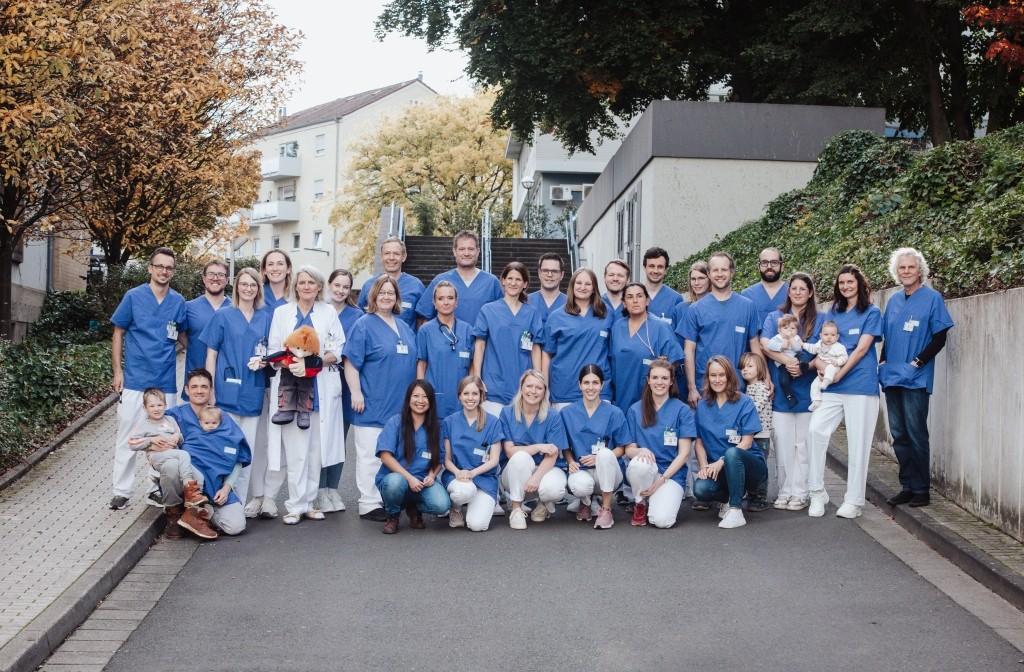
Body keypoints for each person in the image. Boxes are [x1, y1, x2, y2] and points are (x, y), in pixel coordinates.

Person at [109, 247, 187, 510]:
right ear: (150, 268)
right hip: (135, 380)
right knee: (128, 436)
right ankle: (122, 491)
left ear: (173, 272)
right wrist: (118, 371)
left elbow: (183, 336)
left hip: (165, 382)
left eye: (169, 267)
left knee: (164, 438)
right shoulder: (133, 297)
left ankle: (155, 489)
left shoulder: (178, 302)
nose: (164, 271)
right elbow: (118, 333)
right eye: (159, 266)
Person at [266, 265, 345, 525]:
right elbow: (274, 351)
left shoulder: (328, 312)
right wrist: (292, 364)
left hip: (320, 389)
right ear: (295, 286)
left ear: (320, 286)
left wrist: (314, 363)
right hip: (291, 391)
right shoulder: (282, 312)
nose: (307, 286)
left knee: (315, 453)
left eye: (312, 282)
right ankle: (295, 505)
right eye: (302, 282)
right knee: (297, 452)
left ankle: (310, 503)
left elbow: (337, 349)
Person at [807, 264, 883, 520]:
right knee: (815, 430)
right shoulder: (834, 313)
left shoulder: (871, 312)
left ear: (860, 284)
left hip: (860, 385)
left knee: (858, 443)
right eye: (842, 283)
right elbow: (821, 347)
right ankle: (817, 492)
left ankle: (854, 500)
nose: (846, 286)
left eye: (850, 282)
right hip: (832, 387)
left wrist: (839, 374)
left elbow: (861, 350)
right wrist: (821, 367)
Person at [880, 247, 954, 508]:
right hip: (892, 376)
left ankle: (922, 489)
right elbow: (888, 336)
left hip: (915, 377)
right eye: (902, 268)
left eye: (911, 267)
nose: (906, 271)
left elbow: (940, 337)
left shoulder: (932, 298)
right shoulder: (893, 301)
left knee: (916, 433)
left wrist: (917, 362)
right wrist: (883, 362)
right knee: (899, 434)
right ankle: (907, 486)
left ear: (920, 270)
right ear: (896, 272)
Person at [345, 275, 418, 521]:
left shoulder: (404, 327)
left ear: (397, 297)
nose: (386, 297)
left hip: (399, 405)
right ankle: (369, 503)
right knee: (370, 456)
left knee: (395, 455)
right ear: (373, 296)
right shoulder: (363, 325)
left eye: (391, 293)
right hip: (372, 403)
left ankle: (390, 499)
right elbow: (351, 362)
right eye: (382, 292)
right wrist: (356, 392)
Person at [201, 267, 271, 505]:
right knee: (225, 447)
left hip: (253, 390)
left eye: (253, 285)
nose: (248, 289)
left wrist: (265, 361)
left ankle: (238, 502)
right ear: (237, 287)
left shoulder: (265, 317)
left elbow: (271, 352)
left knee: (246, 449)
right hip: (226, 391)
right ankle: (216, 498)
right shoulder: (223, 315)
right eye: (244, 284)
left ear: (258, 289)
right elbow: (211, 355)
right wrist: (210, 390)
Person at [760, 273, 824, 511]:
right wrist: (786, 361)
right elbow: (765, 345)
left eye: (802, 289)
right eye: (793, 288)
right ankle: (784, 491)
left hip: (807, 389)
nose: (797, 292)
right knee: (783, 444)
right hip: (782, 391)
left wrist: (805, 366)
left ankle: (800, 492)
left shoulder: (819, 319)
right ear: (788, 292)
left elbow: (824, 348)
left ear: (810, 292)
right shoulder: (774, 317)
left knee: (803, 445)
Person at [162, 369, 251, 540]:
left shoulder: (223, 419)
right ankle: (176, 513)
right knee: (171, 465)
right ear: (187, 390)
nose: (199, 391)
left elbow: (237, 458)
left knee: (236, 526)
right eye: (194, 387)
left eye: (204, 387)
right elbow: (151, 428)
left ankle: (203, 514)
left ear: (211, 390)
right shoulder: (174, 416)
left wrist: (227, 488)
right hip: (187, 484)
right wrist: (152, 441)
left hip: (216, 487)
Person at [692, 356, 766, 529]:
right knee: (701, 489)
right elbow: (699, 442)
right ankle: (727, 499)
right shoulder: (702, 406)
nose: (717, 380)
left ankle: (736, 510)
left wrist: (721, 461)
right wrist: (703, 467)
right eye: (713, 375)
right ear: (708, 377)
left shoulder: (744, 402)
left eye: (722, 375)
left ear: (729, 376)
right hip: (719, 470)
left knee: (732, 452)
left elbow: (747, 442)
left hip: (749, 467)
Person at [247, 249, 293, 520]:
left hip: (286, 380)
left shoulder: (295, 297)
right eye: (270, 264)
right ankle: (256, 494)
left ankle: (271, 497)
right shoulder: (256, 295)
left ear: (288, 268)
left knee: (282, 441)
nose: (275, 268)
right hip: (257, 379)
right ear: (263, 270)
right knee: (259, 441)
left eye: (280, 264)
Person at [681, 251, 761, 408]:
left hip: (737, 386)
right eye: (715, 270)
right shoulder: (696, 309)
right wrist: (692, 388)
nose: (719, 274)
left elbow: (755, 347)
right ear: (709, 274)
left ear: (732, 272)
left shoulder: (747, 307)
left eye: (724, 269)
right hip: (705, 388)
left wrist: (765, 378)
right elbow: (689, 351)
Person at [623, 358, 696, 528]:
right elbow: (629, 449)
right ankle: (640, 502)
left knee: (662, 521)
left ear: (671, 381)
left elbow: (684, 453)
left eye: (664, 378)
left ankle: (655, 499)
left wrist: (662, 480)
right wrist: (640, 451)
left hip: (671, 474)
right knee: (639, 464)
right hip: (646, 469)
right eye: (655, 377)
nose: (659, 382)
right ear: (648, 380)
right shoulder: (635, 410)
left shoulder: (682, 410)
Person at [313, 268, 362, 513]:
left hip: (346, 384)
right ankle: (319, 490)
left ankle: (332, 488)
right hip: (320, 380)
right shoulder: (317, 311)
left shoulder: (357, 316)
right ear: (328, 285)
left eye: (346, 287)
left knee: (339, 440)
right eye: (337, 285)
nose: (341, 290)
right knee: (322, 439)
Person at [375, 380, 451, 533]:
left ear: (431, 400)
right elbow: (385, 456)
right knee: (394, 483)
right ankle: (393, 515)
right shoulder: (395, 422)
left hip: (422, 482)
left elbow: (439, 459)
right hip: (398, 479)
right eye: (416, 396)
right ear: (408, 398)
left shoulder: (436, 427)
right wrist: (409, 478)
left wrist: (431, 476)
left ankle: (414, 508)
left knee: (442, 505)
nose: (420, 401)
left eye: (425, 396)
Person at [561, 365, 630, 529]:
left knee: (605, 454)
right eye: (586, 383)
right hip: (582, 469)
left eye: (595, 383)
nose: (590, 387)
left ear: (602, 385)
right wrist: (570, 461)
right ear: (579, 385)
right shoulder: (567, 413)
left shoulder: (614, 413)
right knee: (580, 486)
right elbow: (565, 446)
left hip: (607, 471)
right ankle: (586, 501)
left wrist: (598, 458)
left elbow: (622, 448)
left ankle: (606, 509)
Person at [499, 370, 568, 530]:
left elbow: (552, 454)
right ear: (521, 387)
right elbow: (509, 451)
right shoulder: (507, 413)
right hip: (515, 473)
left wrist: (536, 477)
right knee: (520, 456)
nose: (533, 391)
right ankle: (516, 509)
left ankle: (543, 504)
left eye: (539, 388)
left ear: (544, 392)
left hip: (545, 469)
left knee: (553, 489)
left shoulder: (553, 416)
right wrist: (538, 447)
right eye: (529, 386)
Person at [472, 261, 543, 415]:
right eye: (510, 278)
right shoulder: (488, 310)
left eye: (518, 280)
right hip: (494, 384)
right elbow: (479, 345)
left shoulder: (532, 313)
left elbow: (535, 348)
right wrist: (477, 377)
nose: (513, 283)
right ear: (503, 281)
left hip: (524, 386)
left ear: (525, 284)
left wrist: (538, 379)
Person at [541, 268, 612, 407]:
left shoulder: (607, 314)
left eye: (588, 284)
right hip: (564, 389)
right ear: (572, 286)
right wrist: (545, 387)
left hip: (599, 389)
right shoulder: (556, 317)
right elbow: (547, 353)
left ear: (594, 288)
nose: (583, 287)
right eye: (579, 283)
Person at [441, 376, 504, 532]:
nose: (470, 398)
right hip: (457, 477)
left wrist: (472, 473)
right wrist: (458, 473)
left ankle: (478, 504)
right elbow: (446, 459)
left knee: (477, 525)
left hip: (483, 479)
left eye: (475, 394)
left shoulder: (493, 422)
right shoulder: (449, 422)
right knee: (465, 492)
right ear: (459, 396)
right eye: (466, 393)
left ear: (481, 396)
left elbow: (494, 460)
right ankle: (456, 508)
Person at [127, 388, 206, 510]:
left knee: (199, 477)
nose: (156, 409)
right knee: (184, 454)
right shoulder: (143, 424)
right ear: (145, 408)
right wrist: (151, 440)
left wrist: (177, 437)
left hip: (174, 455)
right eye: (152, 406)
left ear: (165, 405)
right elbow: (132, 442)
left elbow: (180, 437)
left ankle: (193, 503)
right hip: (156, 456)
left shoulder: (170, 420)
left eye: (159, 405)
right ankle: (188, 486)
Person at [610, 282, 683, 413]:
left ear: (647, 300)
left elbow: (674, 361)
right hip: (621, 396)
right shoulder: (617, 327)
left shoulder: (661, 327)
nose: (635, 300)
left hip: (651, 398)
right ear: (624, 303)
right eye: (630, 297)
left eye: (639, 296)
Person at [416, 230, 502, 325]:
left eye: (471, 249)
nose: (466, 253)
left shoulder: (491, 282)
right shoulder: (440, 281)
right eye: (461, 249)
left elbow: (503, 316)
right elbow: (423, 318)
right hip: (447, 335)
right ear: (454, 251)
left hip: (481, 335)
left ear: (478, 251)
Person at [416, 280, 475, 419]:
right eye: (440, 298)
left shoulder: (467, 329)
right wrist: (421, 394)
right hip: (435, 396)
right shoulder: (425, 330)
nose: (446, 302)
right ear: (434, 303)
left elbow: (472, 365)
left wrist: (472, 391)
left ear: (456, 302)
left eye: (450, 298)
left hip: (462, 399)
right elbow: (421, 365)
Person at [182, 259, 231, 400]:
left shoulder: (235, 308)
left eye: (220, 275)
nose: (215, 278)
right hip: (196, 380)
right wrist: (196, 348)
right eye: (211, 274)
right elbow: (181, 334)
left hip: (227, 380)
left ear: (227, 280)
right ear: (204, 279)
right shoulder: (189, 307)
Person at [357, 236, 424, 330]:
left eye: (396, 254)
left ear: (404, 257)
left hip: (405, 339)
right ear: (381, 256)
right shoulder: (369, 286)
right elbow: (360, 318)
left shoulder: (416, 286)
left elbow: (422, 321)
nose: (391, 258)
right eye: (387, 253)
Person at [738, 351, 772, 512]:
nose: (745, 369)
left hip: (761, 435)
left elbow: (755, 408)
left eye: (750, 366)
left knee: (759, 466)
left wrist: (739, 415)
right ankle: (751, 494)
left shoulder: (762, 387)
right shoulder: (748, 388)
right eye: (743, 367)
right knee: (749, 465)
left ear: (760, 368)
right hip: (749, 435)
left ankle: (760, 497)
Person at [803, 322, 849, 411]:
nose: (829, 337)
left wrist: (837, 362)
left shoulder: (838, 347)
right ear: (821, 336)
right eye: (826, 334)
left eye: (832, 335)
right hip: (822, 371)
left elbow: (844, 357)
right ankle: (816, 401)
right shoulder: (819, 344)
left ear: (837, 337)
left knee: (830, 368)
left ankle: (826, 382)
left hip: (834, 367)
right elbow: (812, 348)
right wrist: (802, 344)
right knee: (814, 385)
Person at [741, 247, 789, 333]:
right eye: (764, 262)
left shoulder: (793, 294)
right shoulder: (746, 295)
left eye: (774, 262)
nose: (769, 266)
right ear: (758, 267)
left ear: (782, 266)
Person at [765, 314, 809, 407]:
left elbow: (798, 349)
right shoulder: (778, 338)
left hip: (795, 356)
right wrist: (781, 346)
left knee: (803, 355)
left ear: (797, 331)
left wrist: (791, 339)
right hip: (783, 363)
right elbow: (770, 346)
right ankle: (790, 397)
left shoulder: (796, 338)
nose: (789, 330)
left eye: (792, 328)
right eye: (785, 328)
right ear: (779, 330)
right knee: (783, 381)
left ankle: (804, 365)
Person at [641, 247, 683, 325]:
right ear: (644, 268)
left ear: (666, 270)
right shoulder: (634, 297)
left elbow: (679, 330)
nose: (655, 271)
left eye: (660, 267)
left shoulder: (675, 299)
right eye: (651, 266)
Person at [529, 252, 567, 324]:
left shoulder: (570, 304)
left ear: (562, 275)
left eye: (554, 271)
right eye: (545, 270)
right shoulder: (526, 302)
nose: (549, 275)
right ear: (539, 273)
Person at [600, 258, 631, 324]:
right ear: (604, 278)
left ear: (628, 280)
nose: (615, 279)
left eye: (620, 275)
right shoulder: (595, 304)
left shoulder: (633, 305)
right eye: (611, 275)